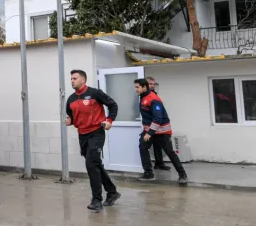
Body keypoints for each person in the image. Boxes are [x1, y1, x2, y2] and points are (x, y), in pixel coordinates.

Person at [64, 69, 121, 211]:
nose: (72, 81)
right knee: (95, 164)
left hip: (96, 133)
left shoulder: (95, 93)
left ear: (83, 80)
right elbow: (71, 116)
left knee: (91, 164)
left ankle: (97, 200)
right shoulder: (71, 99)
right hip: (82, 135)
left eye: (75, 78)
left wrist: (109, 120)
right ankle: (112, 192)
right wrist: (70, 121)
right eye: (71, 79)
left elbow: (113, 105)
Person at [134, 78, 188, 184]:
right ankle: (148, 174)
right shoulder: (143, 97)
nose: (136, 89)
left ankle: (183, 175)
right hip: (150, 130)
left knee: (169, 152)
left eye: (137, 87)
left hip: (162, 132)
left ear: (144, 87)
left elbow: (157, 118)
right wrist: (147, 131)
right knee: (143, 147)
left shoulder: (153, 99)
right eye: (135, 87)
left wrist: (150, 133)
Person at [146, 77, 170, 171]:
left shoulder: (154, 94)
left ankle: (159, 163)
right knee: (144, 146)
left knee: (157, 144)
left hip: (155, 124)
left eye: (154, 84)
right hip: (148, 124)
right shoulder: (143, 95)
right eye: (150, 84)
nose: (152, 86)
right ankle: (147, 168)